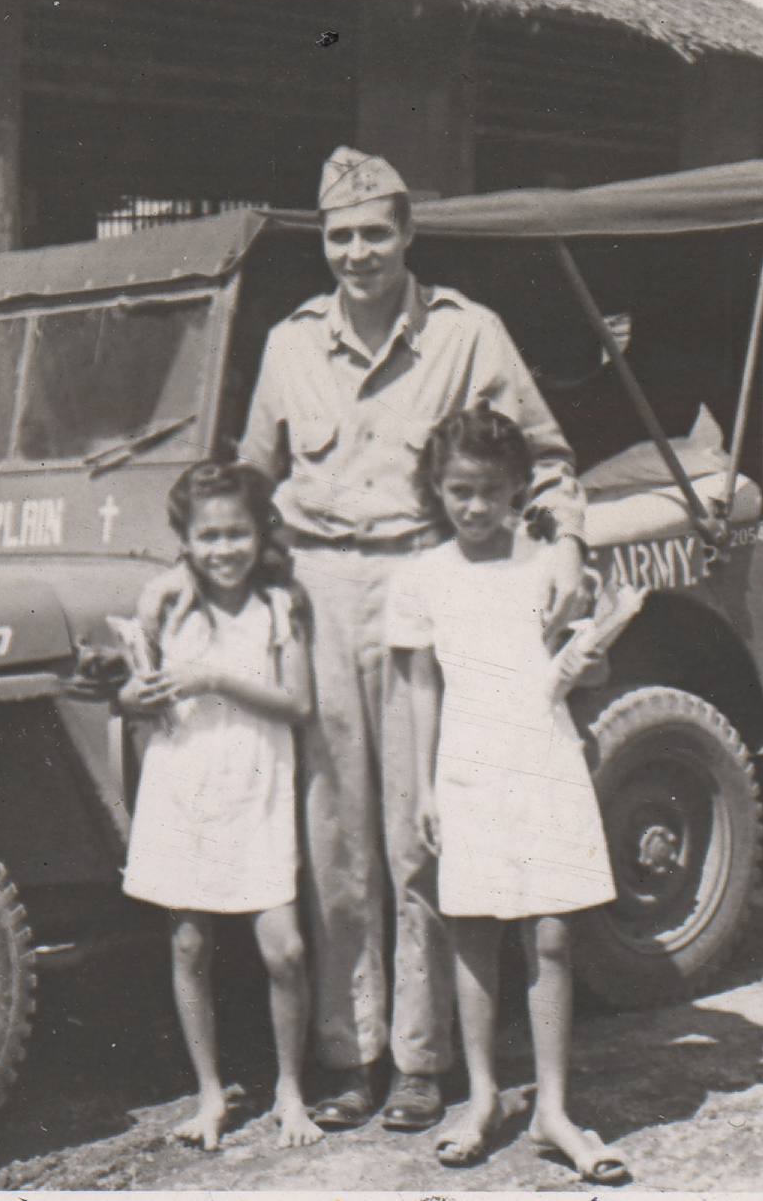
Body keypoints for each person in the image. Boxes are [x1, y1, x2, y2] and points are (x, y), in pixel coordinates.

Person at [141, 147, 590, 1132]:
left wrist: (562, 541)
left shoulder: (469, 334)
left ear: (408, 234)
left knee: (419, 823)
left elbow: (547, 459)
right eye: (339, 236)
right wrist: (184, 568)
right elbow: (249, 480)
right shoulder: (292, 341)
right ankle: (354, 1053)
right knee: (332, 829)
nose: (356, 253)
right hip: (313, 588)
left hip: (426, 585)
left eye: (374, 233)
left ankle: (425, 1061)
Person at [386, 408, 638, 1183]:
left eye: (489, 491)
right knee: (472, 934)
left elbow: (579, 665)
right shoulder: (423, 575)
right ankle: (483, 1095)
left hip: (542, 759)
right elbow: (422, 685)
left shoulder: (545, 569)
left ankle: (554, 1108)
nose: (472, 506)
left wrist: (590, 659)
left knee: (552, 934)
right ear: (436, 488)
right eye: (458, 490)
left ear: (517, 489)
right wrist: (424, 785)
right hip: (468, 766)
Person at [118, 460, 326, 1153]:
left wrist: (214, 677)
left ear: (260, 533)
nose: (224, 549)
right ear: (185, 539)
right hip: (186, 788)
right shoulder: (163, 602)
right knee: (189, 942)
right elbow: (133, 690)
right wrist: (131, 698)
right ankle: (210, 1091)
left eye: (237, 533)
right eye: (209, 535)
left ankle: (290, 1088)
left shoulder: (278, 606)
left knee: (286, 950)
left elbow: (297, 703)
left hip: (257, 788)